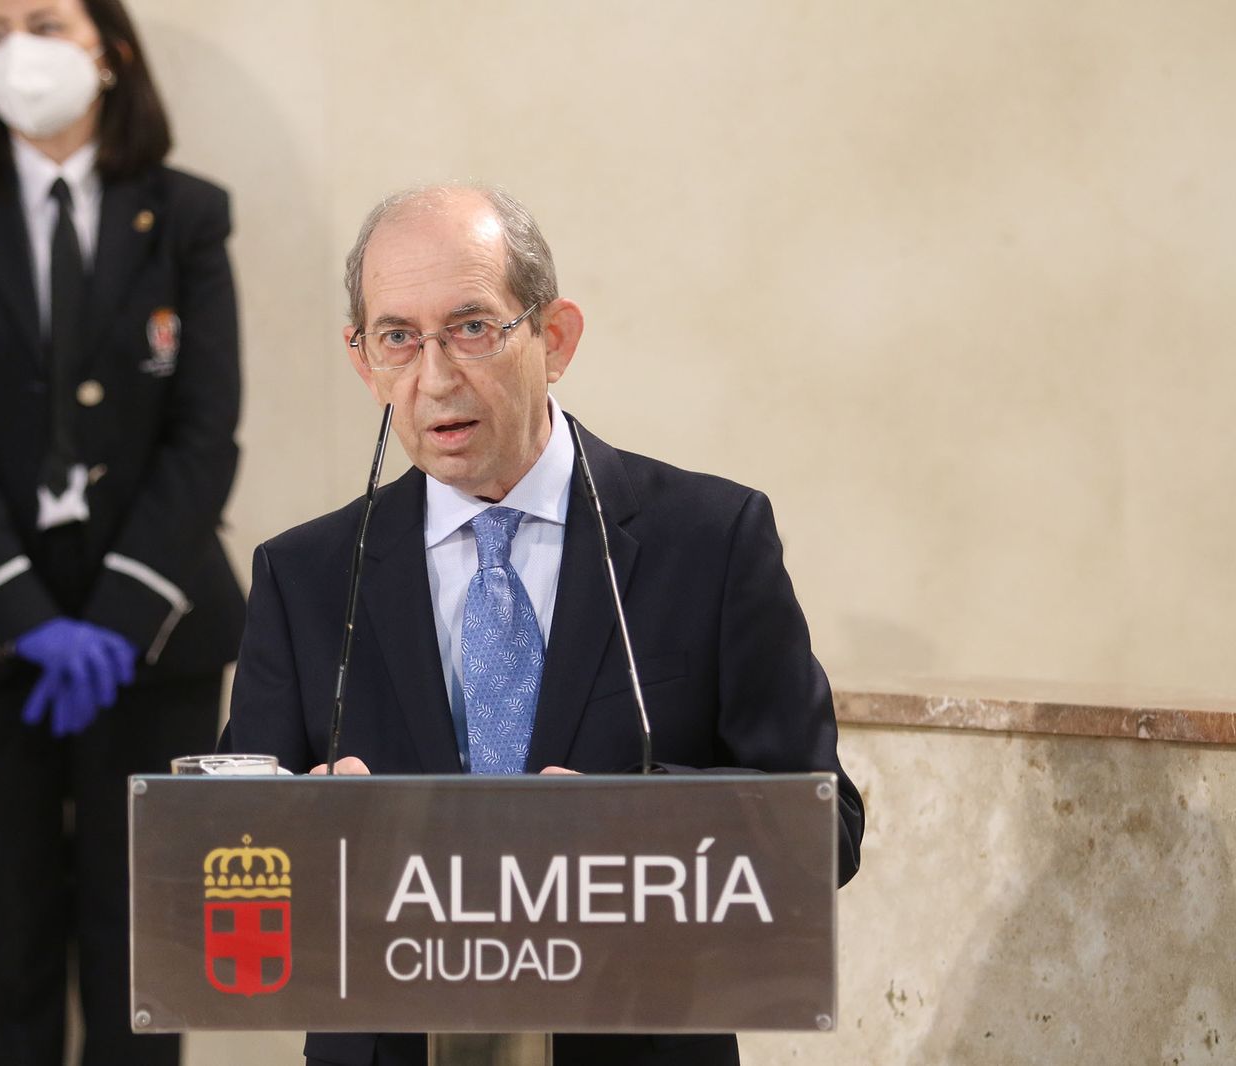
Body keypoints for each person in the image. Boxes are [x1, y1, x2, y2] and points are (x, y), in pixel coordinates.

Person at [222, 184, 864, 1066]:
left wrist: (634, 827)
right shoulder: (304, 576)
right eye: (398, 338)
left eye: (473, 327)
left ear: (554, 337)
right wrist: (306, 836)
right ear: (363, 359)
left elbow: (824, 833)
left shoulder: (709, 541)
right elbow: (229, 859)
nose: (435, 376)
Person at [0, 1, 244, 1063]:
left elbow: (206, 434)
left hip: (153, 634)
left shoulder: (188, 214)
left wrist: (118, 614)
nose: (17, 49)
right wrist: (25, 616)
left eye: (46, 22)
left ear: (109, 53)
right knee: (1, 943)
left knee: (144, 958)